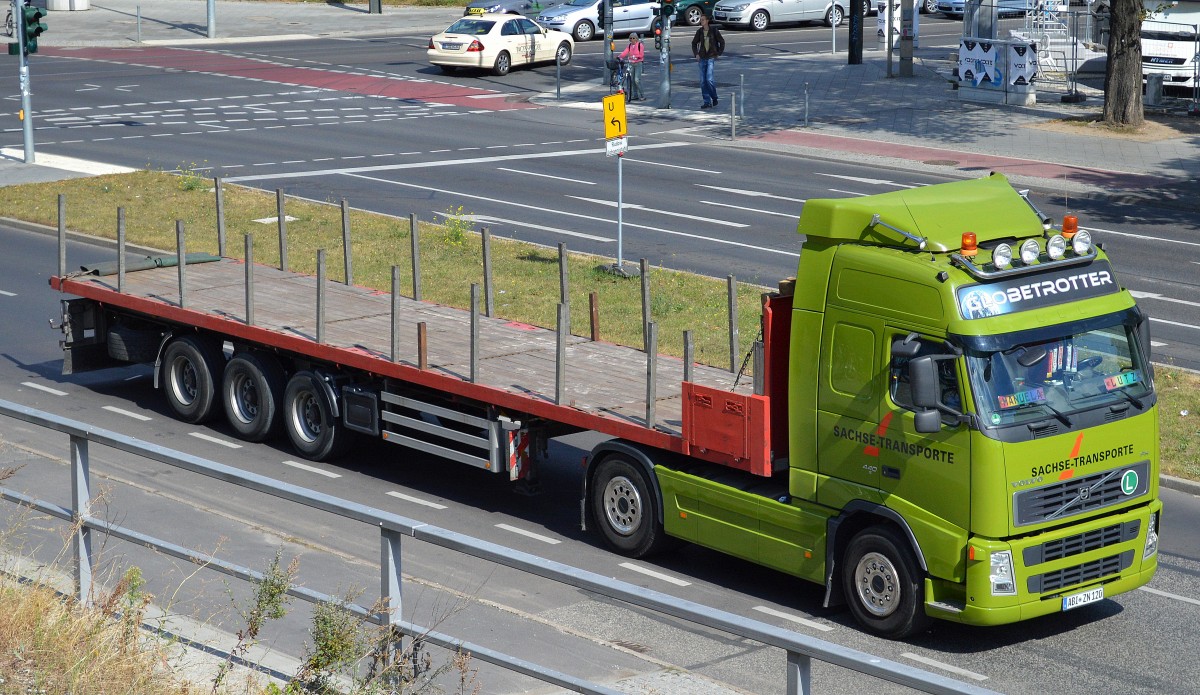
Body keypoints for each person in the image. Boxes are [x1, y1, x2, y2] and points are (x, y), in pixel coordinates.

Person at [691, 14, 724, 109]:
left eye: (703, 20)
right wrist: (696, 54)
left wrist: (719, 53)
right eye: (701, 20)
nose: (701, 21)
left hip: (710, 57)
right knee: (702, 81)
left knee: (709, 79)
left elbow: (721, 41)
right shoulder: (699, 32)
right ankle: (707, 101)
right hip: (702, 58)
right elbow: (694, 43)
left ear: (707, 21)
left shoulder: (714, 31)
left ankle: (714, 97)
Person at [618, 33, 646, 101]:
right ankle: (635, 95)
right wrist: (619, 57)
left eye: (634, 38)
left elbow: (641, 55)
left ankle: (642, 95)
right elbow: (625, 52)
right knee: (632, 80)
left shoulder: (640, 45)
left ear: (636, 39)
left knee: (637, 80)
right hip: (631, 63)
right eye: (630, 38)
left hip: (638, 64)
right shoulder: (630, 46)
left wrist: (635, 57)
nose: (632, 40)